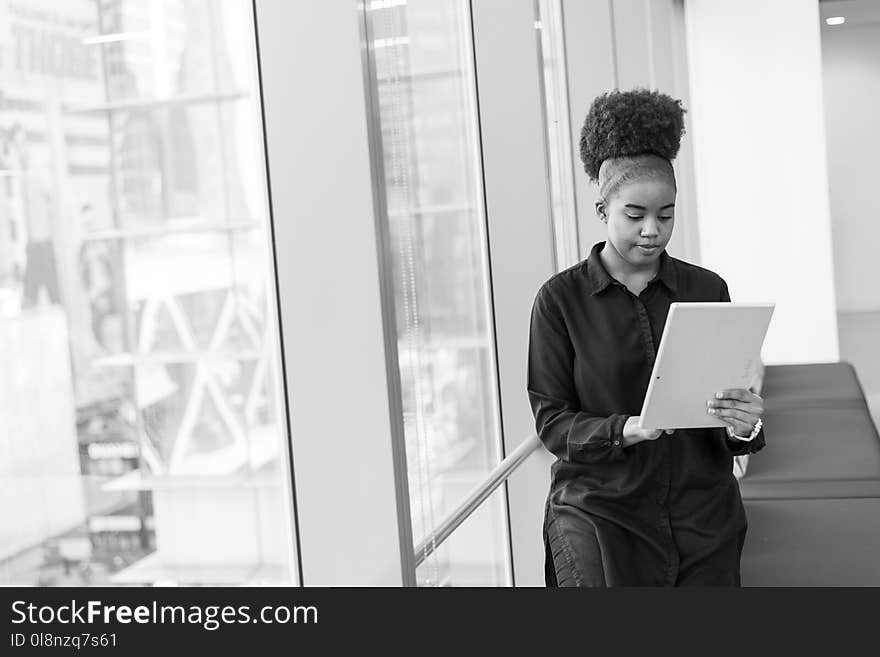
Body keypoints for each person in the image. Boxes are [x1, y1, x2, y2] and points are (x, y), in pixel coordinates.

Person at [528, 89, 766, 587]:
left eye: (666, 215)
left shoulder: (707, 289)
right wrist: (625, 429)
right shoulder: (559, 301)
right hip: (599, 510)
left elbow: (725, 410)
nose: (652, 230)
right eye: (634, 216)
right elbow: (554, 423)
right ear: (602, 210)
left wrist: (742, 424)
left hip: (700, 511)